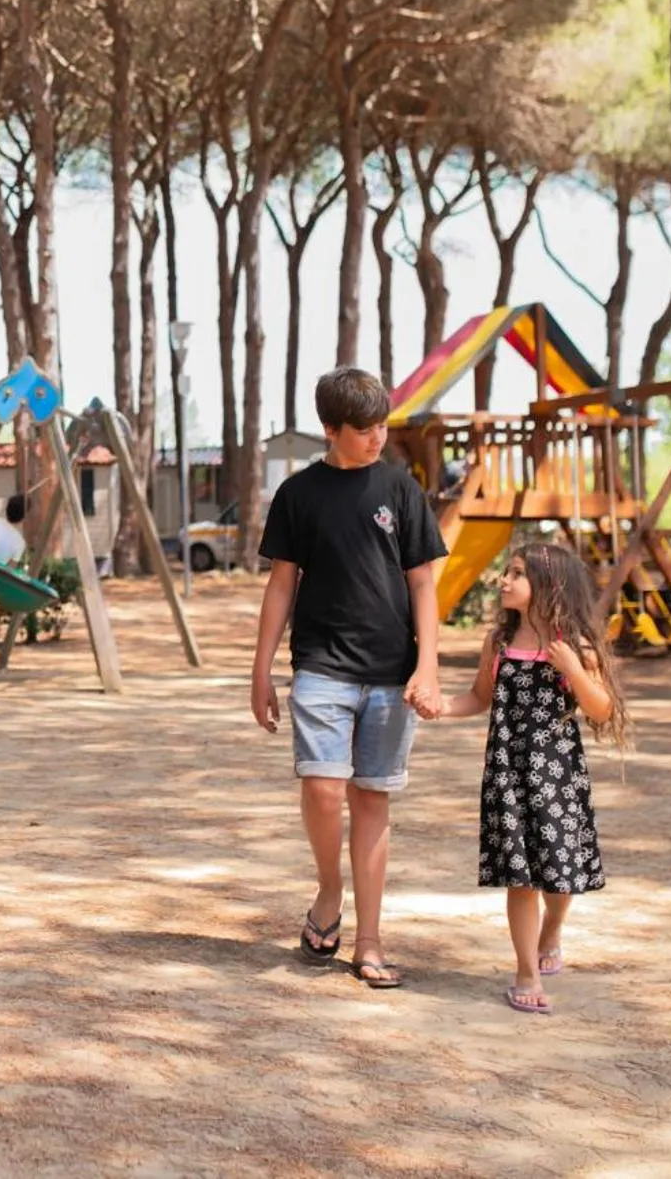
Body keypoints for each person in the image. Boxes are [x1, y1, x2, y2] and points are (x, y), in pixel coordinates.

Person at [249, 367, 446, 989]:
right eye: (363, 430)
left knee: (370, 799)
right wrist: (261, 671)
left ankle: (369, 941)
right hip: (321, 669)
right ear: (330, 430)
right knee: (324, 790)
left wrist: (430, 664)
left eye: (382, 425)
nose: (377, 438)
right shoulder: (298, 494)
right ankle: (329, 890)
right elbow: (282, 583)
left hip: (391, 675)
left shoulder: (401, 489)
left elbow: (423, 583)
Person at [437, 542, 629, 1015]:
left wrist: (572, 670)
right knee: (519, 877)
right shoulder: (498, 645)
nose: (504, 580)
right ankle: (525, 971)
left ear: (550, 585)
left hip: (558, 775)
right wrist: (438, 706)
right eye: (506, 572)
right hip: (508, 772)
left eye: (517, 574)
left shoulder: (575, 647)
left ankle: (553, 929)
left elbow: (602, 709)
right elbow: (479, 698)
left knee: (558, 881)